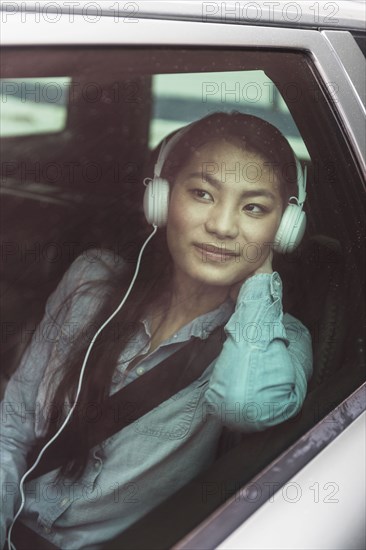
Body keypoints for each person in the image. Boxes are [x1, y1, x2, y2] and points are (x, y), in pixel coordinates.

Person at [1, 112, 313, 549]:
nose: (222, 226)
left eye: (254, 208)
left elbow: (244, 404)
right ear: (162, 199)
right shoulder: (92, 281)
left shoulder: (275, 341)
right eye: (202, 193)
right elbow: (10, 428)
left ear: (285, 229)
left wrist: (259, 276)